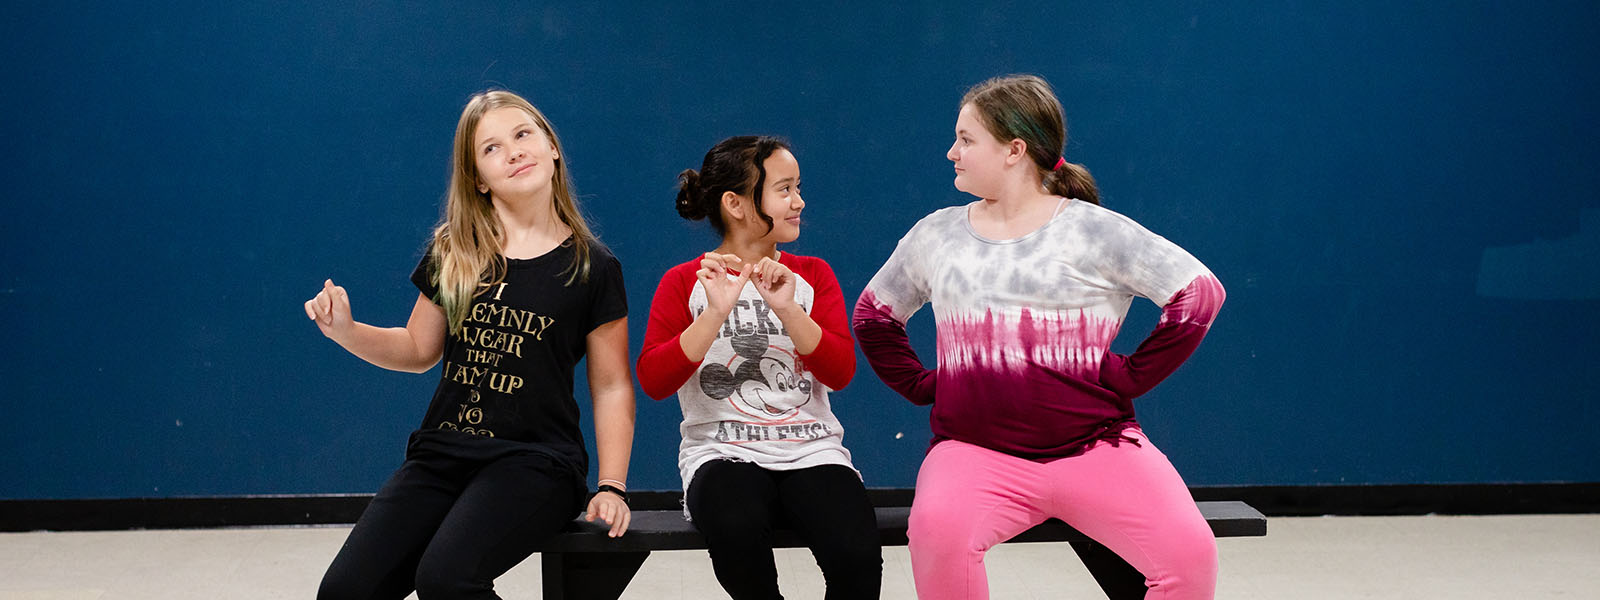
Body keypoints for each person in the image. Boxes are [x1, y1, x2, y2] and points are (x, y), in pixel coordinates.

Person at [853, 74, 1227, 600]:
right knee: (937, 540)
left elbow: (1199, 292)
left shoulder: (1095, 230)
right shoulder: (936, 233)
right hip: (973, 453)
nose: (951, 153)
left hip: (1097, 448)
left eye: (965, 139)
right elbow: (873, 314)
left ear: (1014, 150)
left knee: (1191, 558)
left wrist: (1133, 375)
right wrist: (924, 384)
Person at [305, 90, 635, 600]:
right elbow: (417, 349)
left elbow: (611, 386)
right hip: (442, 455)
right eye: (491, 148)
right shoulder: (455, 250)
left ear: (552, 147)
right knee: (344, 592)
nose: (514, 151)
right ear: (478, 178)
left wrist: (613, 485)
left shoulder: (592, 266)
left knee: (445, 579)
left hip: (537, 461)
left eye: (523, 134)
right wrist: (346, 331)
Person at [636, 136, 882, 599]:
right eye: (784, 189)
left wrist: (788, 308)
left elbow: (840, 373)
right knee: (736, 529)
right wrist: (713, 314)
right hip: (722, 454)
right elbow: (654, 380)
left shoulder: (813, 275)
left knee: (857, 555)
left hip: (812, 451)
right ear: (736, 204)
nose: (799, 201)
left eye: (798, 187)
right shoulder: (685, 281)